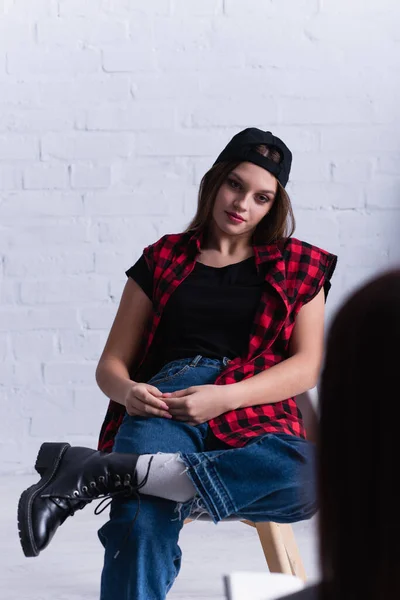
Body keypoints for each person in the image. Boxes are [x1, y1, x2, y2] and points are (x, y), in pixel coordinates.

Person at [17, 127, 338, 600]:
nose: (242, 204)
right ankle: (145, 481)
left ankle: (108, 471)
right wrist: (129, 393)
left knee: (310, 477)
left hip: (254, 402)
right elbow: (111, 364)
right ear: (214, 181)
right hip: (165, 400)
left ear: (274, 206)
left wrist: (225, 396)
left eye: (262, 197)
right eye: (235, 184)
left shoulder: (300, 264)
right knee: (139, 525)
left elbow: (307, 366)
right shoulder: (162, 257)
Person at [280, 268, 400, 600]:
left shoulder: (302, 272)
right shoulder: (164, 259)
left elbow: (303, 375)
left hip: (262, 425)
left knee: (293, 474)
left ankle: (168, 475)